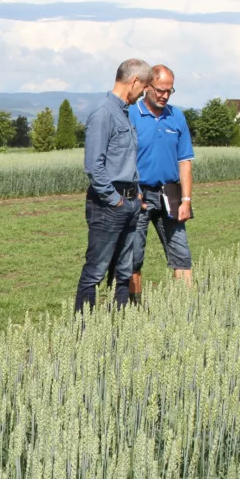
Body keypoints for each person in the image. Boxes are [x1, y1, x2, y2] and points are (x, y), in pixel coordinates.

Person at [75, 59, 152, 313]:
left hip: (130, 202)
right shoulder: (103, 113)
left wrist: (136, 195)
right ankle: (82, 330)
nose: (143, 93)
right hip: (109, 204)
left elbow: (126, 160)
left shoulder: (123, 113)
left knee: (124, 269)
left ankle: (119, 325)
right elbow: (93, 166)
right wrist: (115, 199)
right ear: (134, 81)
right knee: (96, 270)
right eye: (143, 87)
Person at [128, 64, 195, 299]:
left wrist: (186, 200)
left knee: (181, 252)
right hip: (139, 195)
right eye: (160, 90)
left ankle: (185, 309)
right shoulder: (131, 114)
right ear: (147, 86)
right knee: (133, 256)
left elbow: (185, 161)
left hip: (171, 194)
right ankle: (133, 309)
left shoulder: (177, 116)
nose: (165, 96)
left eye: (170, 91)